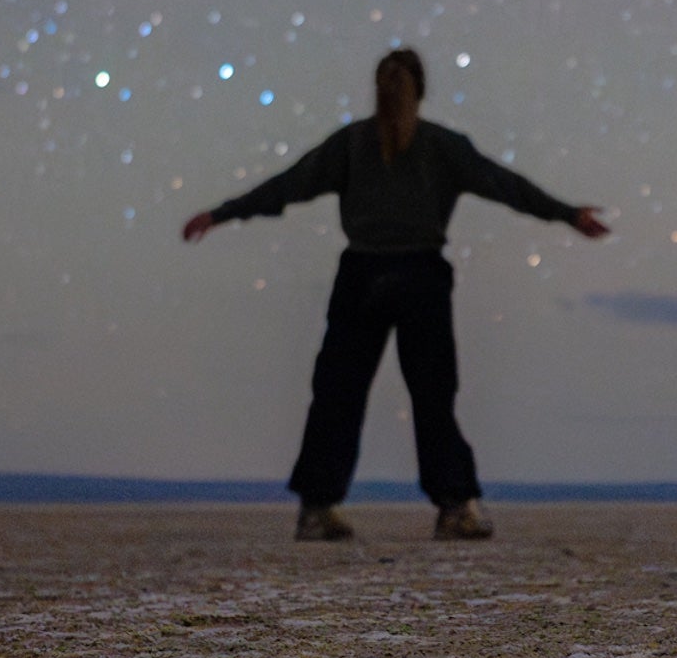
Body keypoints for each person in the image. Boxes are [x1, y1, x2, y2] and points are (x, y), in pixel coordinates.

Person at [182, 48, 609, 542]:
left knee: (339, 393)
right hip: (417, 276)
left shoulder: (355, 144)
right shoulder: (436, 146)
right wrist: (568, 213)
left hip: (364, 275)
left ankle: (318, 508)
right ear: (422, 91)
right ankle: (455, 508)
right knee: (430, 395)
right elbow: (506, 185)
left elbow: (287, 186)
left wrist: (221, 213)